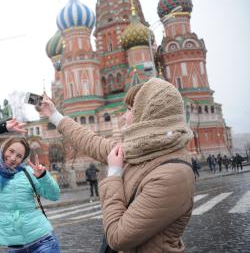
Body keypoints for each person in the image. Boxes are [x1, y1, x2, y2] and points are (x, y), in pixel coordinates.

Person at [38, 78, 195, 252]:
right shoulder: (139, 149)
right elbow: (91, 141)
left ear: (148, 116)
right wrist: (54, 115)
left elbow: (117, 237)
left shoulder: (173, 175)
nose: (123, 117)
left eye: (129, 110)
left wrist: (114, 173)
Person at [0, 118, 61, 252]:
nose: (13, 158)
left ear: (22, 159)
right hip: (15, 248)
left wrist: (43, 176)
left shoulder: (28, 173)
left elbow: (54, 195)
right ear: (4, 149)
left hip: (43, 241)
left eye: (19, 156)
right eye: (11, 151)